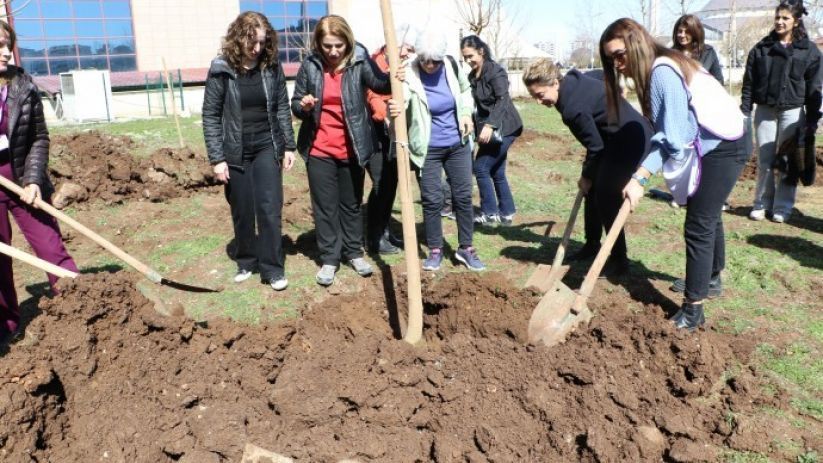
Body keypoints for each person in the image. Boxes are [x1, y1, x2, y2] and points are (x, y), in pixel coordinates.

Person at [601, 18, 748, 331]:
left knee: (699, 222)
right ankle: (711, 278)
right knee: (706, 214)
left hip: (725, 144)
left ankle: (694, 310)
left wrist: (640, 178)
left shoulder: (662, 72)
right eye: (612, 59)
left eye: (619, 54)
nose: (618, 64)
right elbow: (675, 132)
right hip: (719, 139)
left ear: (636, 43)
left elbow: (674, 139)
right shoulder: (666, 63)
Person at [522, 59, 651, 277]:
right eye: (534, 96)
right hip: (615, 137)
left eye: (540, 94)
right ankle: (592, 243)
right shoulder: (573, 79)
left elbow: (595, 148)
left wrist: (586, 176)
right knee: (593, 191)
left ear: (555, 83)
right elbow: (601, 75)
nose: (538, 101)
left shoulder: (573, 109)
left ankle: (619, 260)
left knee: (606, 196)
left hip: (630, 142)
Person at [291, 15, 392, 286]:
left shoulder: (359, 59)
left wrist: (396, 75)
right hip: (319, 148)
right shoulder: (310, 65)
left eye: (338, 45)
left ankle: (353, 252)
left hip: (352, 147)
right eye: (327, 46)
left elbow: (381, 83)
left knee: (350, 204)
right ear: (319, 44)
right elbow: (295, 104)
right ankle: (329, 259)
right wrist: (305, 105)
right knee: (325, 207)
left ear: (347, 41)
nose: (333, 52)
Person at [202, 11, 296, 291]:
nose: (257, 48)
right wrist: (217, 158)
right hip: (236, 149)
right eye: (251, 42)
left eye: (262, 42)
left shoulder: (271, 66)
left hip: (267, 145)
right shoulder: (221, 68)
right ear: (238, 37)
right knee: (242, 209)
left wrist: (288, 144)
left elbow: (281, 106)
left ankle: (273, 268)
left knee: (270, 207)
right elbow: (211, 114)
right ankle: (246, 260)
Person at [0, 20, 79, 342]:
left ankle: (82, 307)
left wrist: (33, 179)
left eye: (8, 45)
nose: (6, 52)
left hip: (20, 176)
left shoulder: (22, 86)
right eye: (0, 45)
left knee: (50, 245)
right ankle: (6, 326)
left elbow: (38, 137)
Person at [388, 27, 485, 272]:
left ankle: (466, 248)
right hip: (428, 147)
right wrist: (397, 103)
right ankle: (435, 249)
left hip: (458, 143)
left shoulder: (452, 66)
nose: (430, 65)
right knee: (432, 200)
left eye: (435, 61)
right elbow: (405, 100)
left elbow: (464, 91)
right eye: (425, 60)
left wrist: (465, 113)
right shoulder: (408, 72)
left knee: (462, 197)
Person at [741, 0, 822, 224]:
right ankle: (761, 204)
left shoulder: (809, 51)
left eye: (785, 18)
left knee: (788, 162)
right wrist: (745, 111)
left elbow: (815, 88)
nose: (779, 21)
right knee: (765, 160)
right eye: (777, 17)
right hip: (765, 111)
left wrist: (813, 121)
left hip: (793, 113)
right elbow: (749, 83)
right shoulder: (762, 48)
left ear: (796, 21)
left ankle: (783, 207)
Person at [363, 25, 417, 255]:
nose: (407, 54)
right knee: (381, 183)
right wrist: (385, 114)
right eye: (406, 48)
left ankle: (384, 231)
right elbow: (372, 95)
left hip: (393, 132)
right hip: (374, 131)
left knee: (391, 181)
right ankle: (373, 237)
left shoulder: (401, 67)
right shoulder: (374, 64)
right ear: (392, 44)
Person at [460, 35, 523, 226]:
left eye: (471, 56)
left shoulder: (495, 72)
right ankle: (507, 212)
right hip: (492, 129)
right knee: (496, 170)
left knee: (481, 167)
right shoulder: (473, 76)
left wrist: (489, 125)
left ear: (481, 51)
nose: (468, 61)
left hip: (506, 127)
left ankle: (489, 213)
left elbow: (502, 100)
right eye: (465, 58)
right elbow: (477, 105)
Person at [672, 15, 723, 84]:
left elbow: (719, 81)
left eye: (687, 32)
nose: (682, 35)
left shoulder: (708, 53)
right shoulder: (670, 54)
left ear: (695, 33)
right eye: (680, 31)